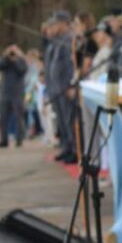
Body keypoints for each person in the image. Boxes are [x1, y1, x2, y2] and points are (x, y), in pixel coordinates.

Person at [43, 11, 79, 163]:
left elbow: (71, 65)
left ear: (64, 23)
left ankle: (74, 150)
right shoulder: (55, 42)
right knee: (62, 122)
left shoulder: (68, 40)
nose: (53, 27)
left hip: (64, 87)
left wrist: (71, 84)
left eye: (56, 23)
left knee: (69, 120)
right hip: (55, 87)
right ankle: (66, 147)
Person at [0, 45, 29, 148]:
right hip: (5, 92)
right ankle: (4, 140)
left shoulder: (21, 60)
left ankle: (19, 139)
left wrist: (16, 59)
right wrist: (5, 56)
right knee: (3, 118)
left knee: (19, 117)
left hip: (17, 93)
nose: (12, 54)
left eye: (14, 52)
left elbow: (22, 71)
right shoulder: (5, 61)